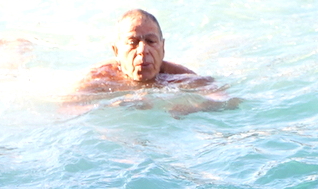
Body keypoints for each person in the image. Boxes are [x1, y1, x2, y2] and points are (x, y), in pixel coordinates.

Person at [74, 9, 239, 116]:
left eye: (151, 41)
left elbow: (229, 102)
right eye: (133, 42)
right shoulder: (100, 77)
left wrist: (189, 108)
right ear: (116, 51)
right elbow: (67, 109)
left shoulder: (179, 77)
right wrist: (110, 107)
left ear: (163, 47)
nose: (143, 50)